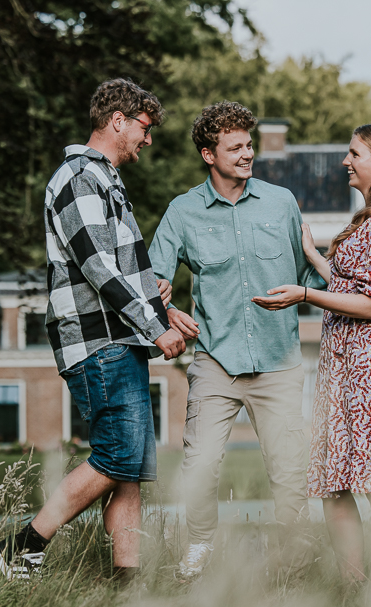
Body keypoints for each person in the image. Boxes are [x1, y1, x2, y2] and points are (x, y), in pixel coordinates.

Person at [0, 79, 186, 581]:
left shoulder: (108, 182)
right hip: (98, 341)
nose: (147, 139)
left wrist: (164, 313)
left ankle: (126, 586)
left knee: (132, 474)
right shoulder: (79, 178)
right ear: (117, 120)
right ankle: (22, 545)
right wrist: (154, 326)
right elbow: (98, 268)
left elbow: (126, 270)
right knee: (118, 454)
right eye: (144, 128)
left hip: (123, 338)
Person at [148, 101, 326, 577]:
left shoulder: (281, 201)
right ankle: (200, 547)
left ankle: (293, 562)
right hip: (215, 361)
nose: (247, 154)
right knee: (199, 466)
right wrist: (166, 309)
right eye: (235, 147)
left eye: (249, 145)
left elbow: (312, 274)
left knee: (289, 473)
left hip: (279, 360)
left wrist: (321, 278)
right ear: (209, 154)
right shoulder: (182, 212)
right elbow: (150, 279)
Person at [253, 122, 371, 581]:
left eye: (354, 153)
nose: (345, 161)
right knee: (334, 488)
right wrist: (315, 259)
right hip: (345, 374)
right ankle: (353, 590)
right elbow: (353, 283)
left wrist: (304, 295)